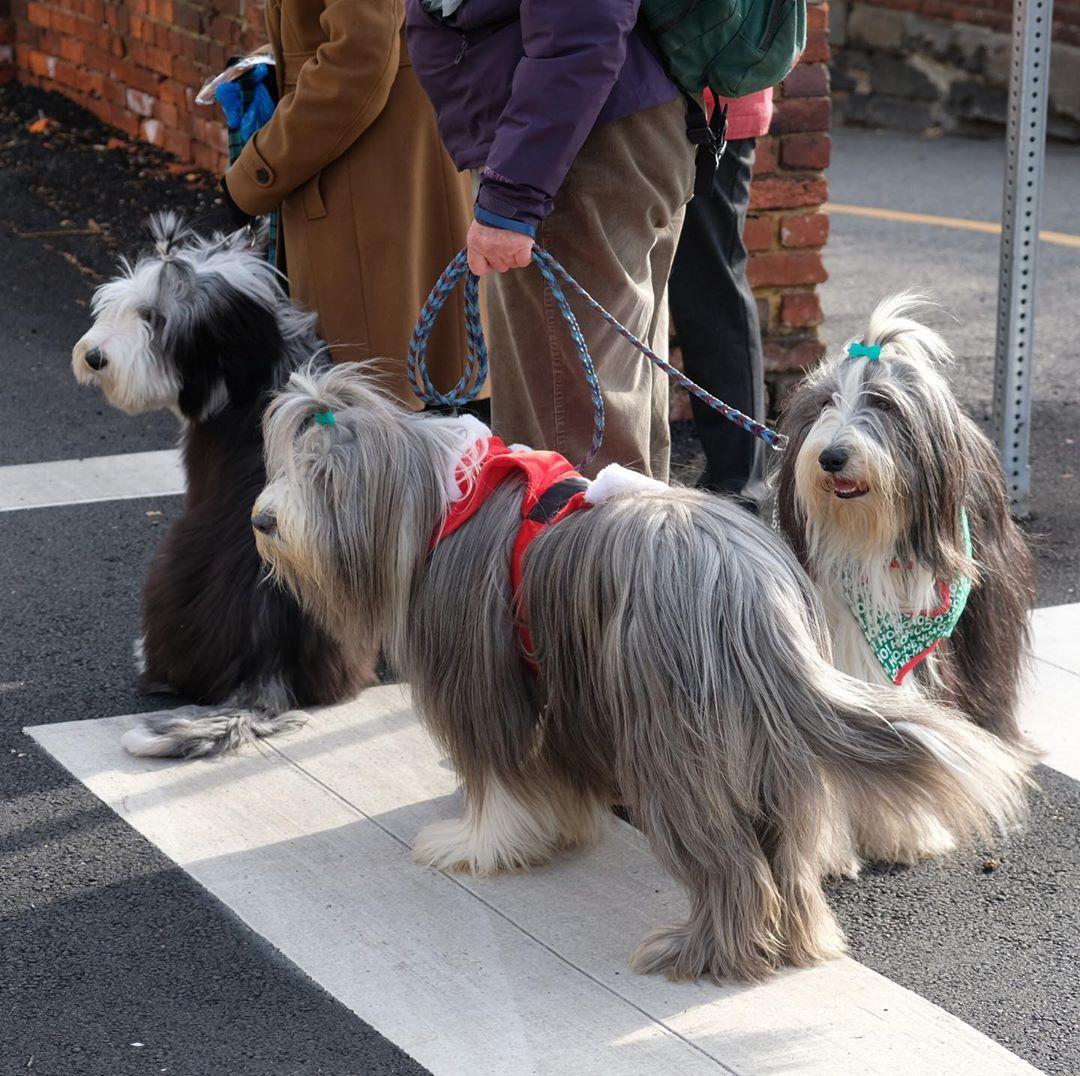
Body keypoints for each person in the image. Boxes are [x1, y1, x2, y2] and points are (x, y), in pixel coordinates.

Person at [406, 1, 696, 479]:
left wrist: (512, 195)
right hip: (597, 132)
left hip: (575, 150)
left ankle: (594, 555)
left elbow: (582, 28)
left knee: (569, 449)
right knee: (608, 422)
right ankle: (623, 552)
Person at [221, 0, 473, 404]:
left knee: (374, 428)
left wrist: (256, 172)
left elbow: (358, 60)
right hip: (378, 175)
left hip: (368, 188)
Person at [669, 89, 773, 498]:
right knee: (706, 285)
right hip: (692, 100)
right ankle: (738, 486)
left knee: (710, 287)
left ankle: (740, 489)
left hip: (711, 104)